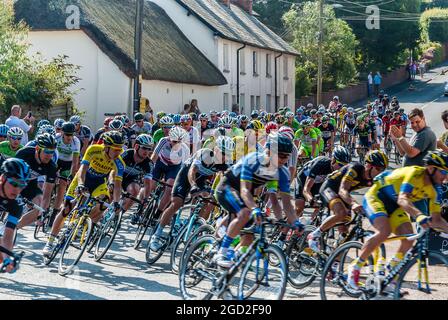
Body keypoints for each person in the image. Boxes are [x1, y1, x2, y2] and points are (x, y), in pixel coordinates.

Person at [347, 151, 448, 290]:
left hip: (394, 206)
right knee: (384, 231)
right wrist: (419, 216)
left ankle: (392, 270)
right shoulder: (415, 173)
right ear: (431, 168)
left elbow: (437, 219)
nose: (445, 176)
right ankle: (355, 267)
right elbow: (402, 199)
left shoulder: (435, 189)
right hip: (377, 196)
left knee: (409, 237)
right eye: (443, 171)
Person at [214, 134, 304, 268]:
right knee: (245, 213)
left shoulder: (283, 173)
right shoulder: (253, 160)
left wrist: (295, 221)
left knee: (249, 237)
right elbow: (245, 190)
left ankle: (230, 265)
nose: (283, 160)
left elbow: (285, 203)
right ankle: (222, 252)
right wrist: (255, 209)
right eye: (280, 155)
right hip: (228, 187)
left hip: (245, 194)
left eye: (287, 156)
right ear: (269, 151)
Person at [43, 131, 126, 256]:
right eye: (115, 149)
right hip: (83, 179)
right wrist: (81, 184)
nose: (118, 152)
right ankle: (50, 242)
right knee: (66, 209)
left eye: (120, 150)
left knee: (105, 202)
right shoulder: (93, 150)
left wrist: (116, 202)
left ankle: (84, 221)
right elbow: (82, 169)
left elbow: (118, 185)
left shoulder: (119, 163)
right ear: (106, 146)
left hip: (99, 183)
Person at [149, 136, 235, 251]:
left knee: (211, 200)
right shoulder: (204, 154)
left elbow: (229, 180)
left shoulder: (226, 163)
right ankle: (157, 235)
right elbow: (192, 171)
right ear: (216, 149)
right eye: (223, 153)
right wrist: (193, 186)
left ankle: (195, 228)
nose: (225, 157)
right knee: (177, 203)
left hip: (201, 180)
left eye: (228, 154)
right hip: (186, 176)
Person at [307, 150, 388, 252]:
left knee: (345, 232)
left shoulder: (373, 180)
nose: (380, 172)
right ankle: (314, 235)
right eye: (378, 168)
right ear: (368, 165)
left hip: (344, 195)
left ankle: (335, 259)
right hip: (329, 188)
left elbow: (378, 196)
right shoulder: (355, 168)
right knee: (341, 213)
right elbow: (342, 190)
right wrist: (354, 203)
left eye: (382, 170)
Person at [0, 158, 31, 273]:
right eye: (14, 183)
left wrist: (7, 259)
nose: (17, 189)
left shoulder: (16, 205)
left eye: (22, 184)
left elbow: (8, 235)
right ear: (3, 178)